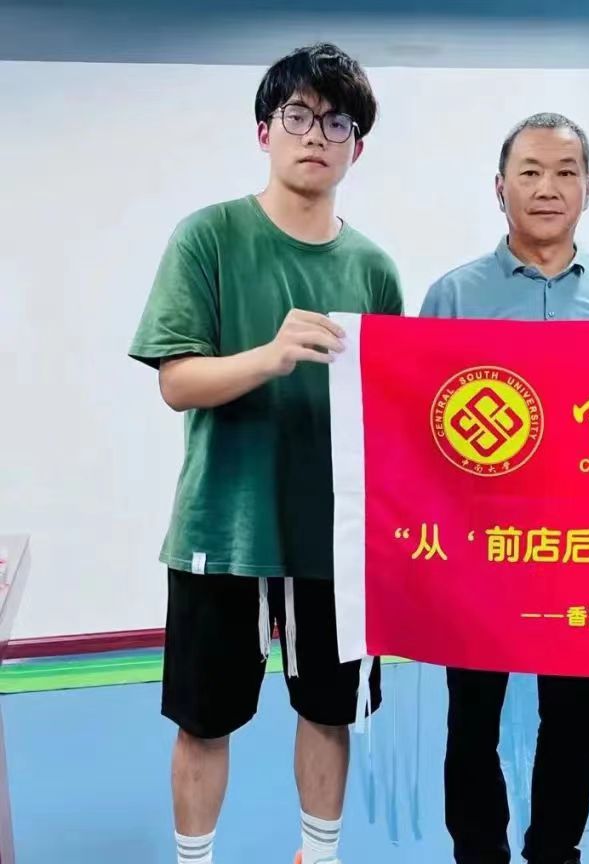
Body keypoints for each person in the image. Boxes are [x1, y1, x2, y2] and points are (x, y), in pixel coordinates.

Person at [128, 43, 403, 864]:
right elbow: (177, 382)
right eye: (298, 116)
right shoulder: (208, 237)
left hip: (335, 537)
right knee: (203, 720)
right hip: (224, 526)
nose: (316, 135)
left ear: (357, 147)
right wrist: (270, 356)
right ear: (264, 131)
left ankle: (319, 855)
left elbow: (393, 408)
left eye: (337, 122)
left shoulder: (374, 268)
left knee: (330, 711)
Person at [420, 112, 589, 864]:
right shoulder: (454, 294)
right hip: (477, 551)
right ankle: (477, 852)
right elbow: (419, 426)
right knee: (472, 720)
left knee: (574, 719)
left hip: (583, 546)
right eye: (530, 172)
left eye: (565, 172)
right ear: (500, 187)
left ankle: (555, 851)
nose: (548, 188)